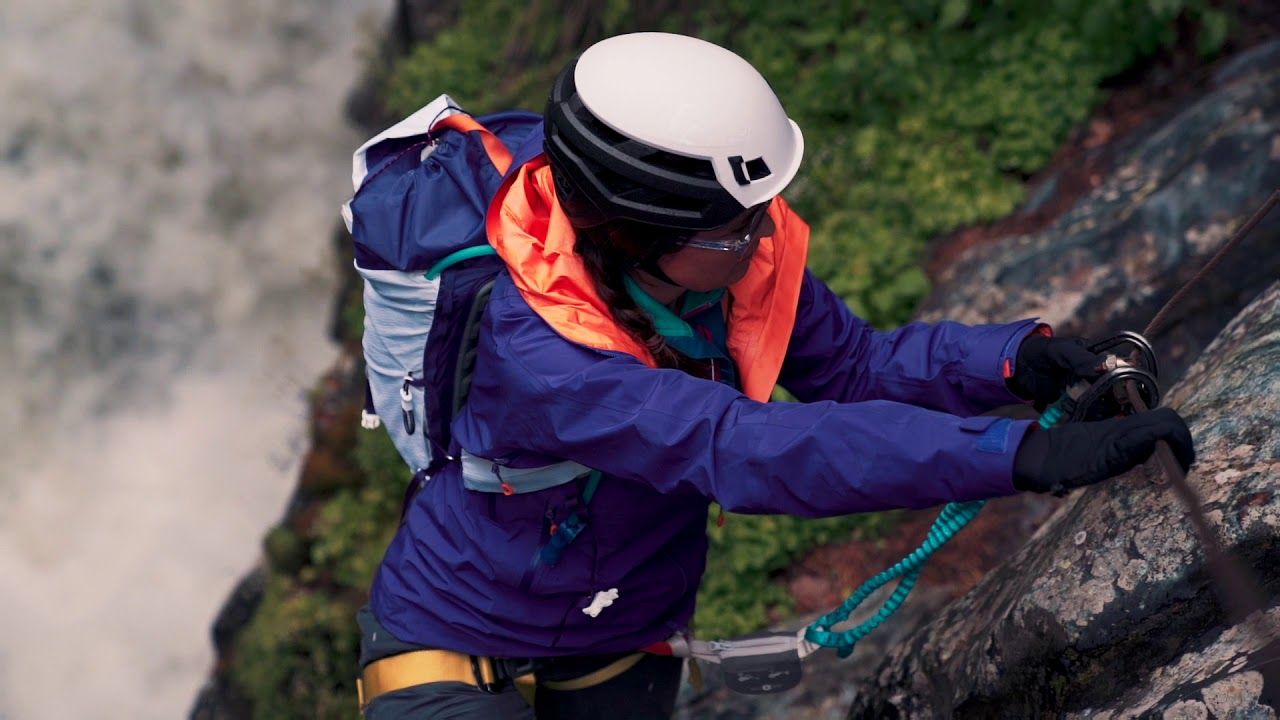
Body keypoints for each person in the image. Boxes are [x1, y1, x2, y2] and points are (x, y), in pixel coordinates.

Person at [355, 32, 1195, 719]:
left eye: (758, 215)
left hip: (624, 630)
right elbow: (752, 449)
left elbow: (858, 366)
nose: (762, 237)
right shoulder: (547, 357)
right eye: (737, 225)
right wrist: (1021, 456)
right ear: (638, 231)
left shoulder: (719, 262)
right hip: (456, 634)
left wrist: (1020, 362)